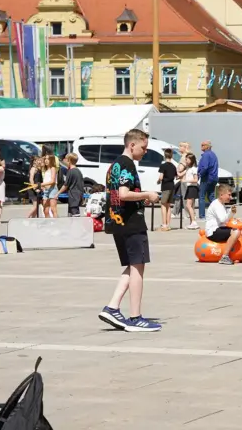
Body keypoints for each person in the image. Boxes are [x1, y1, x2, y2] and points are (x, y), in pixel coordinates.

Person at [98, 129, 161, 333]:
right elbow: (124, 194)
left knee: (132, 266)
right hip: (131, 223)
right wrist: (147, 195)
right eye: (143, 147)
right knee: (138, 267)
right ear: (132, 145)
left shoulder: (115, 165)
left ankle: (112, 307)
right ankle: (135, 317)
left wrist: (140, 198)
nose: (145, 151)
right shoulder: (127, 164)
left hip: (117, 222)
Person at [205, 184, 242, 265]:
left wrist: (233, 217)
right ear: (221, 195)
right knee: (236, 232)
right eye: (229, 195)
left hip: (221, 228)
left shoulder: (222, 205)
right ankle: (224, 257)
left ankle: (238, 253)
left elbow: (226, 220)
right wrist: (231, 212)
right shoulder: (216, 205)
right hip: (213, 231)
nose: (231, 197)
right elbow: (223, 220)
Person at [197, 140, 219, 220]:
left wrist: (199, 174)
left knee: (202, 196)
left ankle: (202, 215)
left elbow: (205, 167)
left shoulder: (206, 155)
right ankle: (220, 211)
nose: (201, 146)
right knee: (211, 196)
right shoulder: (213, 155)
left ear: (207, 146)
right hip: (214, 178)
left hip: (206, 178)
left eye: (203, 145)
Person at [157, 148, 177, 231]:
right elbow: (176, 176)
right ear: (172, 156)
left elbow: (161, 177)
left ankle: (164, 224)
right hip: (172, 186)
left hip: (165, 187)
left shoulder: (163, 166)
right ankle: (168, 224)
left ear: (164, 156)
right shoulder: (173, 166)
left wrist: (158, 181)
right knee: (168, 206)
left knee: (163, 205)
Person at [182, 153, 199, 230]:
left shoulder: (194, 169)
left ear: (191, 160)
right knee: (190, 206)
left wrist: (186, 180)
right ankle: (192, 222)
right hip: (190, 187)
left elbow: (196, 179)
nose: (186, 161)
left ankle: (194, 222)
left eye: (187, 159)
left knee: (188, 205)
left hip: (192, 187)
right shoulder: (188, 169)